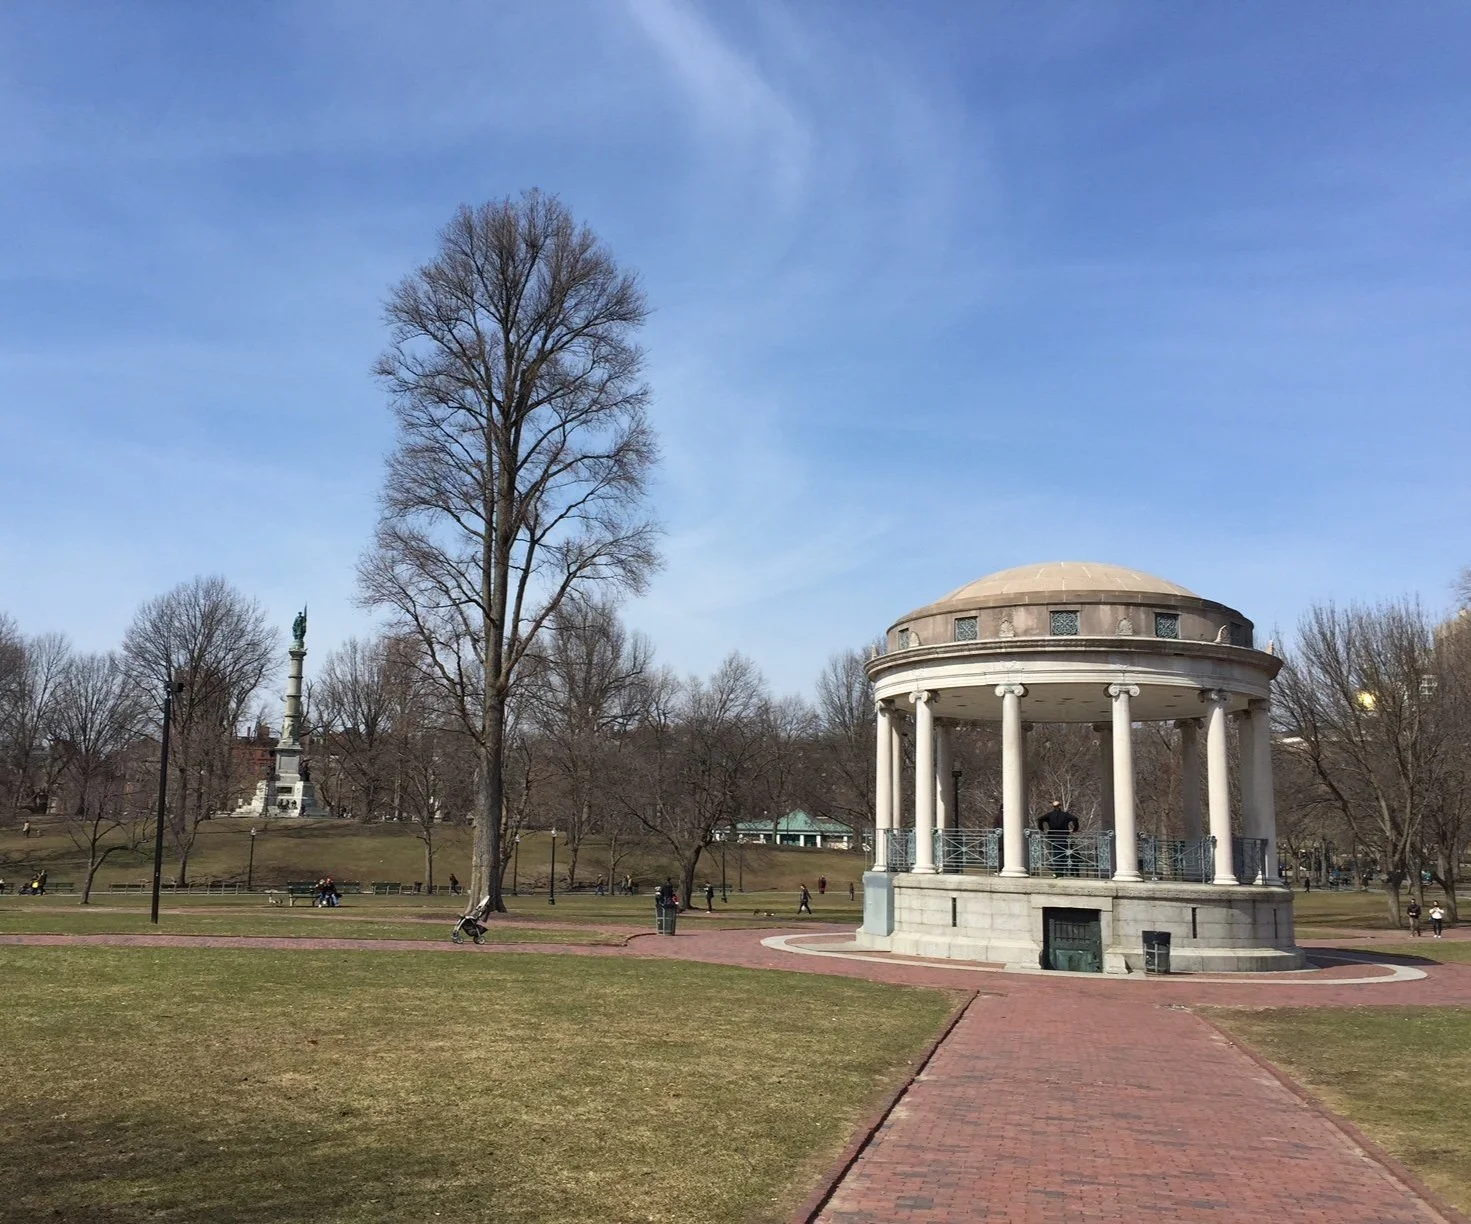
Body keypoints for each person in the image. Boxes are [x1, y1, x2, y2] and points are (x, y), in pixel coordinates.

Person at [1036, 800, 1079, 876]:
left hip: (1053, 837)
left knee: (1056, 854)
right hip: (1063, 837)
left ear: (1053, 807)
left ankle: (1058, 872)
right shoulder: (1065, 815)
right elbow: (1075, 819)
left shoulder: (1050, 815)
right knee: (1062, 854)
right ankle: (1060, 872)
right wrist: (1075, 829)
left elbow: (1040, 819)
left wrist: (1042, 829)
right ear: (1060, 806)